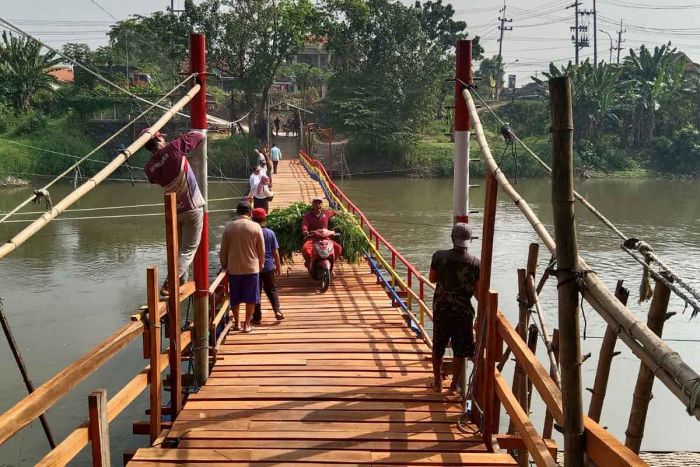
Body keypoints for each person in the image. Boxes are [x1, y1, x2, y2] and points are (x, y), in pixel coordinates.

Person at [142, 128, 204, 296]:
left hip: (174, 211)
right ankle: (170, 283)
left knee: (179, 250)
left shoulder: (149, 167)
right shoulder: (175, 147)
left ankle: (181, 281)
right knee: (188, 250)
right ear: (159, 139)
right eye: (162, 137)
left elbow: (153, 178)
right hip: (192, 207)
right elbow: (200, 135)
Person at [428, 223, 480, 394]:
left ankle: (437, 383)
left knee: (438, 347)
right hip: (463, 313)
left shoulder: (439, 256)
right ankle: (453, 386)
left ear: (452, 238)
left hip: (441, 309)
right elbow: (478, 293)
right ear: (469, 241)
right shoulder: (475, 263)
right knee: (460, 350)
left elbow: (432, 279)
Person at [220, 201, 265, 333]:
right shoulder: (256, 227)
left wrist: (224, 265)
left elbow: (223, 250)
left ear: (237, 212)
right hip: (251, 268)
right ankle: (246, 325)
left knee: (235, 297)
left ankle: (237, 323)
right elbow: (261, 250)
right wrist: (261, 264)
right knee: (251, 297)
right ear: (250, 212)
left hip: (233, 268)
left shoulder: (228, 227)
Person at [251, 208, 284, 324]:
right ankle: (277, 311)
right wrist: (278, 265)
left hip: (254, 266)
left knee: (256, 292)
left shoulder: (251, 233)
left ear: (252, 218)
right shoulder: (270, 233)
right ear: (265, 219)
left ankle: (256, 317)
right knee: (272, 289)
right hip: (268, 266)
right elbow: (275, 251)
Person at [301, 197, 340, 267]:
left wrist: (340, 214)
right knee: (305, 249)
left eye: (319, 203)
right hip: (313, 238)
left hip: (326, 238)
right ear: (312, 204)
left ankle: (332, 263)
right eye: (316, 203)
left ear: (322, 204)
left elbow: (335, 213)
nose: (318, 205)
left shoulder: (326, 213)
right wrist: (305, 230)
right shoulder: (308, 215)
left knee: (338, 248)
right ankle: (309, 263)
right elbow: (304, 224)